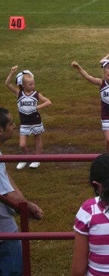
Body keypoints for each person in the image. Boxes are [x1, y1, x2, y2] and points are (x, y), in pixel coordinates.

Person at [0, 107, 44, 274]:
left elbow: (5, 177)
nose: (15, 126)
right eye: (11, 124)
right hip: (4, 234)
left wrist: (24, 203)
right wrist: (29, 207)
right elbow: (5, 193)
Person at [4, 66, 52, 170]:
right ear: (23, 85)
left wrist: (37, 107)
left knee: (37, 140)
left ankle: (37, 159)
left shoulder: (36, 94)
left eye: (33, 83)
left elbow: (48, 102)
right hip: (24, 123)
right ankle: (26, 157)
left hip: (35, 121)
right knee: (22, 144)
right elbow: (7, 84)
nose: (33, 85)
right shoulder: (19, 93)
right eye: (30, 84)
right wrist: (12, 73)